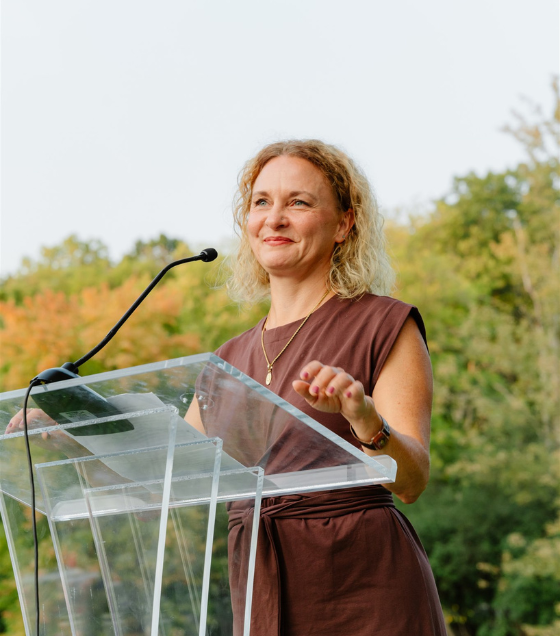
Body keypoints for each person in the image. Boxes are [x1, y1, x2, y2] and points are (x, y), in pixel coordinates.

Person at [188, 139, 447, 635]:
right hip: (260, 583)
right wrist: (78, 426)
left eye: (298, 202)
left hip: (365, 588)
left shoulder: (384, 324)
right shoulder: (225, 359)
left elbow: (411, 481)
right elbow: (175, 468)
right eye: (261, 202)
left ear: (345, 224)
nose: (275, 218)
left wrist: (364, 417)